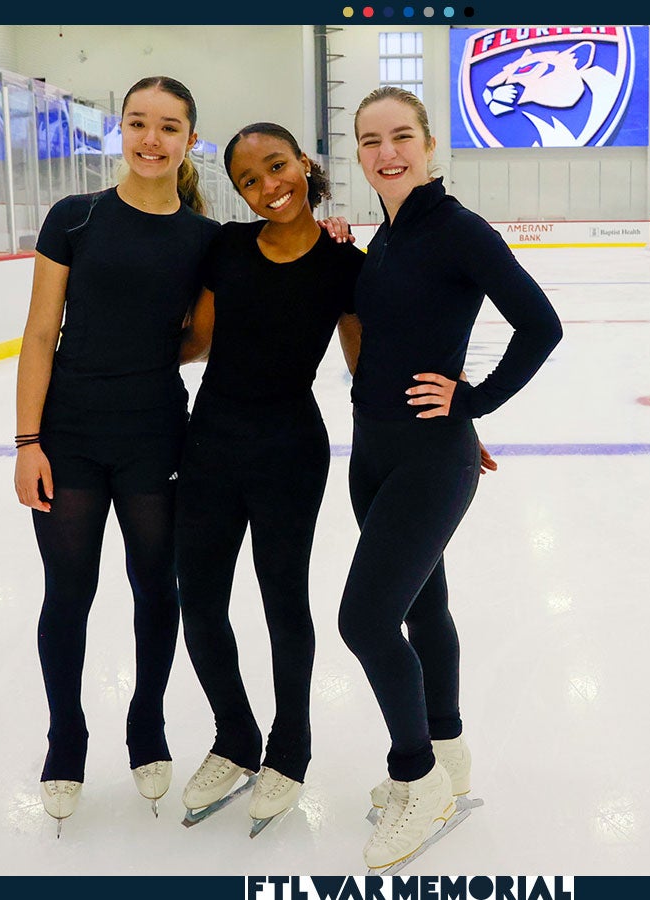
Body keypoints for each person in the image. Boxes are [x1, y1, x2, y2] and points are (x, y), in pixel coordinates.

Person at [340, 86, 563, 872]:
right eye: (371, 140)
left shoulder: (458, 229)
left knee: (365, 622)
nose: (387, 152)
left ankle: (420, 781)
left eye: (401, 136)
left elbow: (541, 325)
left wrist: (473, 403)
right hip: (373, 454)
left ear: (428, 144)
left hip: (432, 458)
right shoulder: (386, 237)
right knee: (420, 607)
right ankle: (448, 755)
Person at [13, 75, 218, 832]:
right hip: (68, 434)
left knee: (156, 589)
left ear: (189, 140)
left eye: (168, 127)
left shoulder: (203, 239)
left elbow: (199, 339)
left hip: (155, 435)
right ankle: (65, 738)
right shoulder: (75, 217)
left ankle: (147, 724)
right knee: (68, 593)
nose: (151, 139)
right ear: (121, 131)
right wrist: (27, 441)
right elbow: (41, 333)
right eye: (137, 123)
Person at [170, 122, 365, 836]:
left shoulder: (346, 263)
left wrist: (452, 419)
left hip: (289, 450)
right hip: (211, 444)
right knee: (200, 601)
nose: (268, 187)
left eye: (277, 166)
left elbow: (367, 369)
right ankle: (235, 737)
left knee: (284, 601)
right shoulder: (226, 246)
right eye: (249, 180)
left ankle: (291, 748)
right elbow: (196, 342)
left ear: (304, 163)